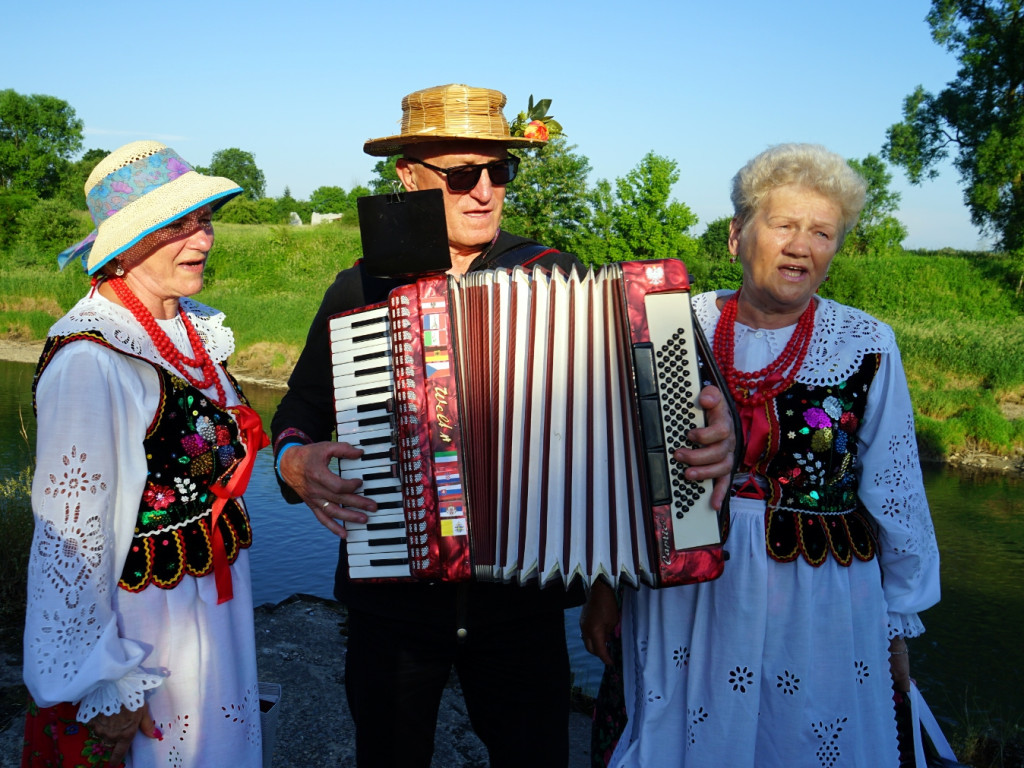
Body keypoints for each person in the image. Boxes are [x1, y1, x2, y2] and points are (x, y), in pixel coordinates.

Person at [270, 83, 736, 767]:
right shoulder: (360, 287)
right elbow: (300, 410)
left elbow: (625, 442)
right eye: (462, 174)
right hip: (394, 606)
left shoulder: (556, 277)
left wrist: (712, 431)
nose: (484, 190)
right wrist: (292, 463)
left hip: (522, 605)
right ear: (408, 176)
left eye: (499, 170)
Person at [582, 143, 941, 767]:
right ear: (736, 237)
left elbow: (896, 487)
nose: (802, 246)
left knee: (796, 741)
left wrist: (897, 626)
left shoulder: (866, 342)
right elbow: (621, 469)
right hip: (683, 590)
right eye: (784, 225)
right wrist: (607, 586)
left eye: (822, 232)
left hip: (816, 595)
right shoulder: (669, 321)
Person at [22, 140, 267, 768]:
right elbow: (71, 540)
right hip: (148, 630)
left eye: (204, 219)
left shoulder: (188, 327)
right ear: (128, 246)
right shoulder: (91, 360)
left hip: (212, 606)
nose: (203, 239)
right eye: (177, 226)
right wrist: (105, 680)